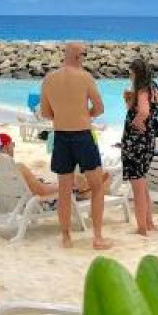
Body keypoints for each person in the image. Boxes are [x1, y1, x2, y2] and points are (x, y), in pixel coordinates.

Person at [39, 42, 112, 250]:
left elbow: (45, 113)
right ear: (79, 56)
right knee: (97, 186)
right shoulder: (85, 77)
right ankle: (97, 237)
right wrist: (85, 115)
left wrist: (64, 115)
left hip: (61, 136)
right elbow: (99, 107)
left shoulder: (49, 79)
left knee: (64, 190)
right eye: (84, 54)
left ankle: (66, 237)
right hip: (82, 136)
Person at [120, 58, 158, 236]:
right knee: (142, 183)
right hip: (148, 139)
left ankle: (142, 228)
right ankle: (149, 223)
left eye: (131, 73)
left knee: (137, 186)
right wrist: (130, 102)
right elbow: (147, 111)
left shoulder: (143, 89)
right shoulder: (155, 88)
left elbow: (144, 112)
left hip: (136, 142)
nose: (130, 77)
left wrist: (136, 123)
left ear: (136, 73)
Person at [0, 132, 93, 199]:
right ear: (7, 147)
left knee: (78, 183)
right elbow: (42, 191)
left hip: (17, 202)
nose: (13, 147)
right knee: (79, 182)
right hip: (43, 201)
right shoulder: (18, 167)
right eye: (12, 144)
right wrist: (62, 186)